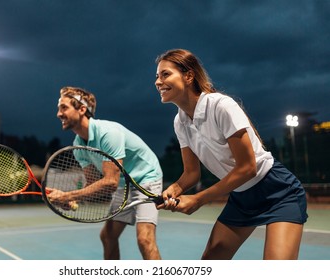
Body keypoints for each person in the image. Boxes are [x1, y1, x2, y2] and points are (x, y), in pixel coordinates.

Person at [154, 48, 308, 260]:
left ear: (188, 76)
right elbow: (191, 173)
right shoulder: (180, 122)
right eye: (157, 76)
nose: (158, 82)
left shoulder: (221, 106)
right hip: (242, 198)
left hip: (278, 192)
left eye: (165, 74)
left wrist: (198, 199)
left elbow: (247, 168)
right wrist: (175, 188)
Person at [52, 86, 163, 260]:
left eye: (64, 107)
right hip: (123, 185)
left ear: (82, 109)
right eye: (59, 108)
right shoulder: (78, 146)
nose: (58, 114)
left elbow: (110, 182)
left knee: (145, 239)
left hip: (146, 179)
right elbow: (93, 184)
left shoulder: (107, 133)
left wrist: (68, 195)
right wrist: (73, 199)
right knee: (108, 236)